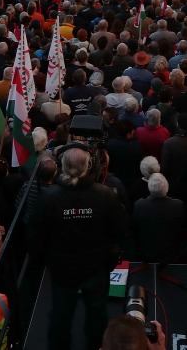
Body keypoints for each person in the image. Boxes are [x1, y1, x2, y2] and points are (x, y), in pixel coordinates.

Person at [28, 144, 129, 350]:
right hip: (95, 267)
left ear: (62, 166)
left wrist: (45, 260)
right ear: (88, 167)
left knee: (61, 314)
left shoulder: (49, 197)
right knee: (97, 312)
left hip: (63, 269)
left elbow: (36, 237)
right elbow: (121, 230)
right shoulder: (105, 194)